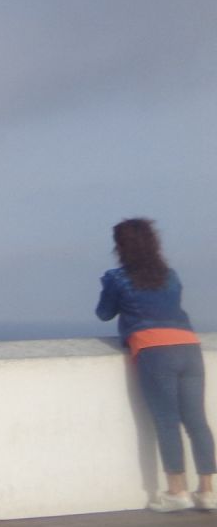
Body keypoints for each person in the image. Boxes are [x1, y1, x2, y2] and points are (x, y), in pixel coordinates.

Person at [96, 218, 213, 511]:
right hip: (188, 346)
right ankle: (208, 490)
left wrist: (108, 288)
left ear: (120, 246)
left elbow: (104, 313)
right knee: (197, 421)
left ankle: (177, 491)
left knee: (166, 420)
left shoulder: (117, 277)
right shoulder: (170, 276)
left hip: (153, 349)